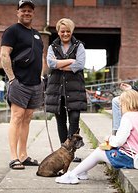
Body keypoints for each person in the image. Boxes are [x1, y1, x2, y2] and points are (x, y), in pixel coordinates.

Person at [55, 90, 138, 184]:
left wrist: (109, 138)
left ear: (127, 104)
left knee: (99, 152)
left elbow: (119, 141)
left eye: (121, 105)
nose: (120, 107)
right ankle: (82, 171)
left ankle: (71, 175)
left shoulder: (127, 118)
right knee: (102, 152)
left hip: (129, 158)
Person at [0, 0, 44, 170]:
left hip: (35, 84)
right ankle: (14, 157)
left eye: (29, 11)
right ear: (17, 12)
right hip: (20, 83)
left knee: (27, 119)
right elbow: (4, 55)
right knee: (17, 117)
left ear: (33, 13)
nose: (26, 13)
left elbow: (39, 57)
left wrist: (41, 77)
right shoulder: (11, 31)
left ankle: (24, 155)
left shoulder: (37, 34)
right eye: (23, 10)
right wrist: (12, 79)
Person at [45, 18, 87, 162]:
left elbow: (80, 65)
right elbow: (51, 63)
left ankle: (71, 150)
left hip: (74, 89)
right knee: (60, 121)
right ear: (58, 32)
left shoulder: (79, 46)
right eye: (62, 31)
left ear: (72, 31)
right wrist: (70, 61)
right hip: (57, 90)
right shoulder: (52, 46)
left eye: (68, 31)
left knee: (74, 119)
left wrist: (59, 65)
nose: (65, 34)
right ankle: (64, 152)